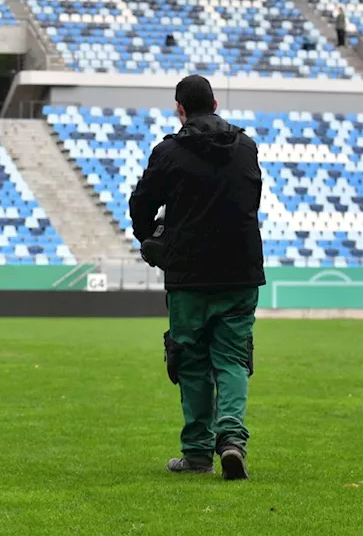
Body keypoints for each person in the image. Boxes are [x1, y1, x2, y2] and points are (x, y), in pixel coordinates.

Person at [128, 74, 265, 481]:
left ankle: (198, 453)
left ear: (180, 109)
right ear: (216, 103)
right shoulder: (246, 148)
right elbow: (251, 201)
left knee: (190, 361)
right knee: (233, 358)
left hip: (188, 275)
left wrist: (150, 237)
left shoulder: (168, 152)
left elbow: (140, 204)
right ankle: (232, 441)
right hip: (240, 272)